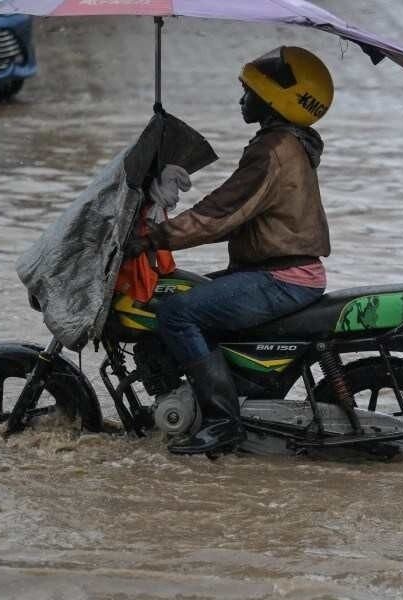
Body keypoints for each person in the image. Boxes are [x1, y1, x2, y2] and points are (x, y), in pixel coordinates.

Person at [127, 47, 335, 454]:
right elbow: (231, 214)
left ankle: (224, 421)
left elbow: (223, 212)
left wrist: (153, 237)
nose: (241, 100)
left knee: (176, 312)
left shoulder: (273, 149)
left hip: (280, 279)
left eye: (248, 92)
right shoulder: (289, 144)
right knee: (179, 292)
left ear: (273, 101)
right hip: (281, 272)